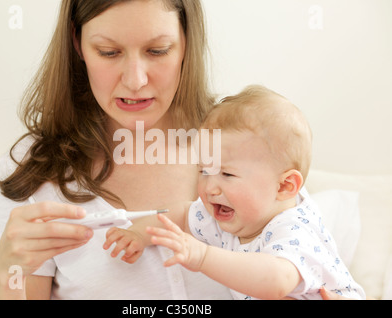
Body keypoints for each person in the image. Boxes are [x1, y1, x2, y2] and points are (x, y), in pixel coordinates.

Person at [0, 0, 232, 300]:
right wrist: (8, 270)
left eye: (157, 50)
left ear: (187, 40)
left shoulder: (241, 140)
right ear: (76, 42)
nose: (135, 81)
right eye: (109, 52)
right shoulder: (36, 172)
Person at [104, 85, 366, 300]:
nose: (210, 187)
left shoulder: (294, 229)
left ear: (284, 186)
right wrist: (138, 233)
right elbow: (183, 214)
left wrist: (202, 256)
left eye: (227, 174)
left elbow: (273, 282)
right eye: (204, 171)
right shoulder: (231, 218)